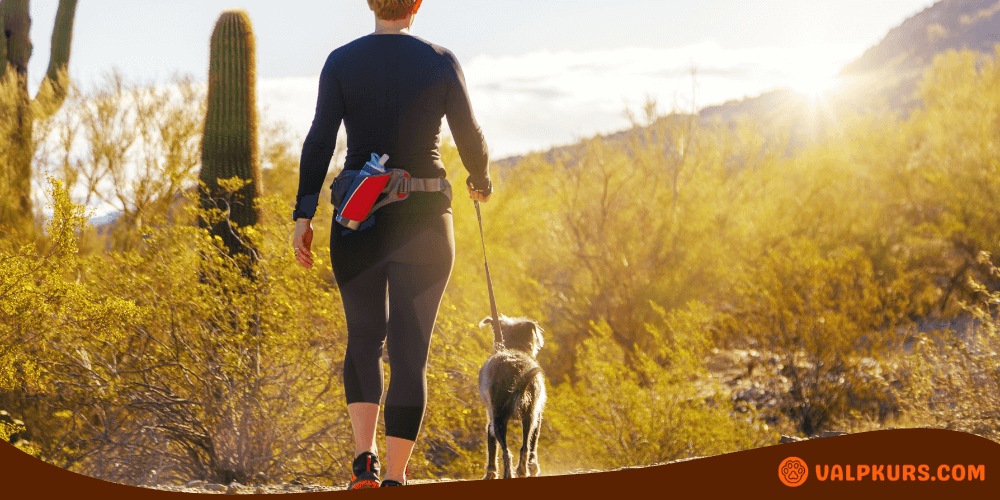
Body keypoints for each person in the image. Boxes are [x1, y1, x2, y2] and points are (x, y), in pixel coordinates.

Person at [291, 0, 492, 489]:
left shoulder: (341, 60)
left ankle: (365, 463)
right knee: (409, 352)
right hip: (425, 221)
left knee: (363, 338)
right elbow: (468, 135)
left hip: (356, 219)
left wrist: (303, 213)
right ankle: (396, 479)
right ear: (416, 5)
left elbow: (320, 139)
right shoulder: (440, 60)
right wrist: (479, 178)